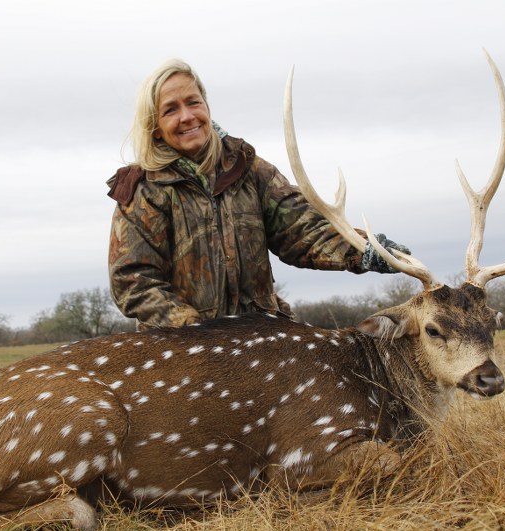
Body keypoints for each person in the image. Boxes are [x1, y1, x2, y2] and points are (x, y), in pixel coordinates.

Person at [107, 59, 408, 330]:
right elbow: (133, 281)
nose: (187, 116)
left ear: (207, 108)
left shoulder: (249, 169)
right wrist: (193, 330)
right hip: (184, 354)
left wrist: (363, 251)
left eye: (193, 102)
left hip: (262, 340)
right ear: (155, 127)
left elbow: (303, 229)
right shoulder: (142, 190)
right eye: (171, 109)